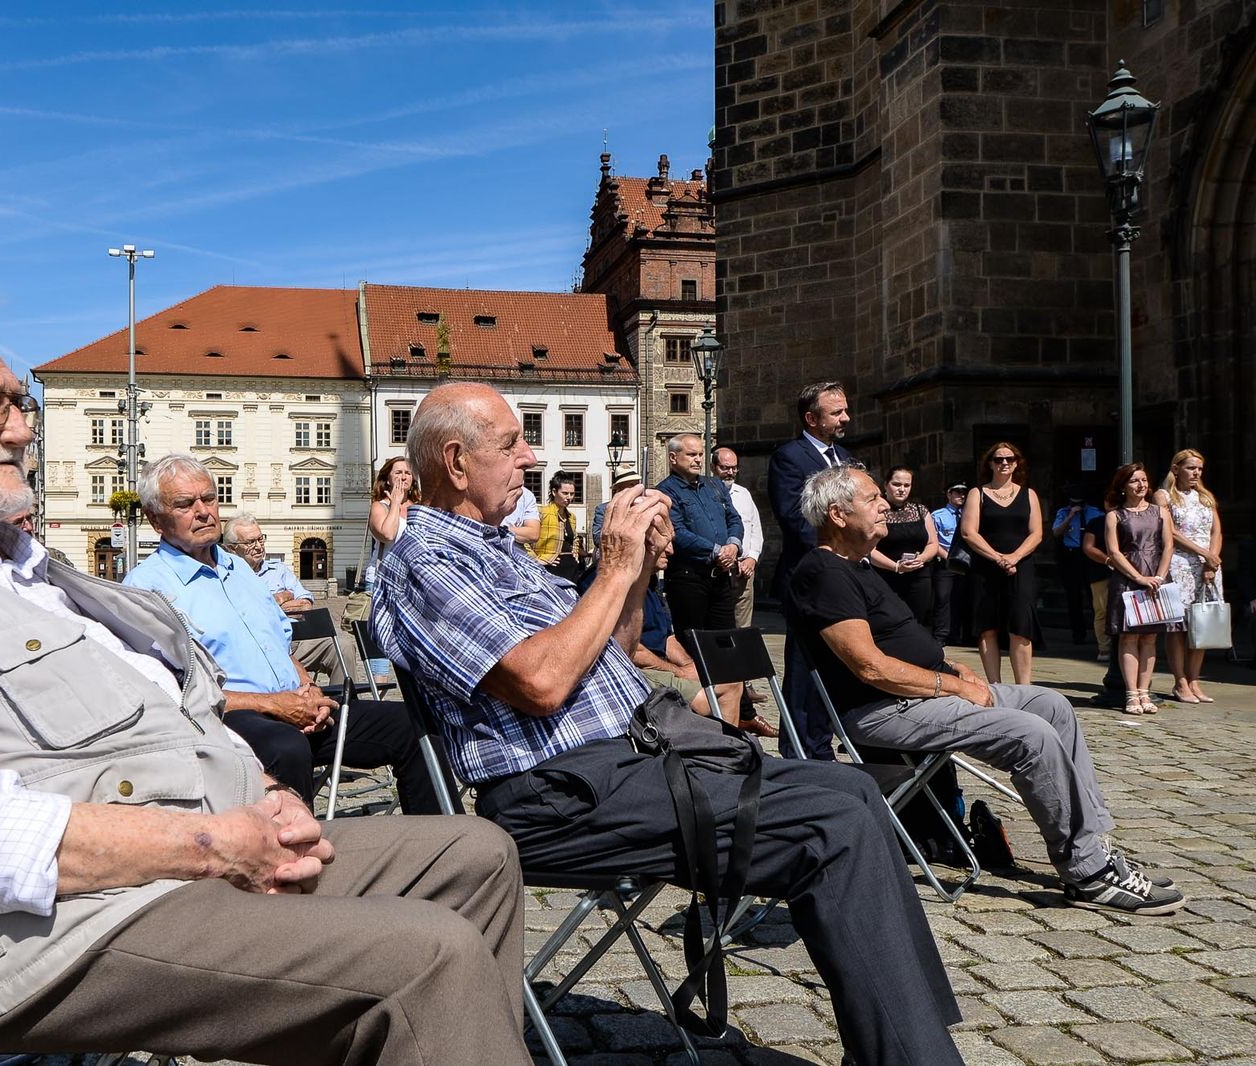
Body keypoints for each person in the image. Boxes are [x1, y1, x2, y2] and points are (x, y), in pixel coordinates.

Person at [0, 320, 528, 1062]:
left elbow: (177, 716)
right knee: (430, 953)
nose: (19, 430)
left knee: (475, 855)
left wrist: (264, 791)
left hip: (186, 860)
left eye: (17, 403)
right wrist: (209, 844)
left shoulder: (31, 570)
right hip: (51, 931)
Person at [374, 381, 967, 1066]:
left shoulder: (496, 549)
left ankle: (913, 1041)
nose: (530, 457)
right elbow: (540, 683)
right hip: (558, 795)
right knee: (832, 825)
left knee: (854, 791)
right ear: (456, 462)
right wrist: (612, 567)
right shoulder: (426, 561)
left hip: (628, 760)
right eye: (511, 445)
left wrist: (635, 573)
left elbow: (612, 651)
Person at [785, 464, 1183, 915]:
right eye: (872, 498)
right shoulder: (823, 572)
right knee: (1029, 735)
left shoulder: (855, 567)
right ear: (838, 515)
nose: (883, 506)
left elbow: (901, 643)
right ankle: (1089, 872)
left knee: (1051, 705)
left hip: (921, 692)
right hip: (886, 709)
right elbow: (870, 666)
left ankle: (1090, 845)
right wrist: (951, 685)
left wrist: (956, 668)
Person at [126, 455, 442, 815]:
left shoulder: (238, 569)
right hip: (225, 722)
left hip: (292, 705)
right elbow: (167, 693)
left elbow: (281, 646)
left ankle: (442, 837)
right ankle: (303, 847)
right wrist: (274, 705)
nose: (203, 512)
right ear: (155, 519)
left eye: (209, 498)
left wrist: (309, 689)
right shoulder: (147, 588)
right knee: (286, 746)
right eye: (185, 504)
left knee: (411, 724)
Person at [576, 539, 765, 734]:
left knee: (729, 679)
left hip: (657, 665)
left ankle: (727, 745)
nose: (671, 550)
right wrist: (678, 671)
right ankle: (719, 746)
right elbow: (626, 649)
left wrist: (691, 666)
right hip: (630, 670)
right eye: (664, 542)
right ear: (641, 542)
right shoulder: (607, 581)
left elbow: (667, 638)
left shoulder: (649, 581)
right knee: (714, 695)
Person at [766, 381, 855, 760]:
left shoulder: (846, 458)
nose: (846, 418)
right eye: (836, 412)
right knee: (805, 668)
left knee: (837, 664)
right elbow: (795, 518)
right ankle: (799, 750)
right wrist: (841, 551)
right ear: (811, 418)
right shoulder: (790, 458)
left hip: (846, 578)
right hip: (810, 579)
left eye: (845, 410)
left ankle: (822, 743)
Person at [223, 512, 348, 687]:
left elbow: (305, 605)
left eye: (260, 539)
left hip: (296, 641)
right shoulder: (226, 576)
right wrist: (283, 596)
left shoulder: (278, 570)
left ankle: (343, 702)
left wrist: (268, 605)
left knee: (343, 646)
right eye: (250, 542)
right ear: (231, 548)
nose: (258, 547)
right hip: (258, 648)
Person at [958, 442, 1042, 685]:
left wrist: (1014, 557)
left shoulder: (1029, 494)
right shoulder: (977, 493)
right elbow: (968, 532)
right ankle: (995, 686)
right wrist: (998, 558)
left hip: (1021, 566)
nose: (1004, 463)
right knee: (987, 626)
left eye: (1010, 459)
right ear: (990, 464)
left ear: (1017, 463)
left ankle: (1024, 688)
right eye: (998, 459)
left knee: (1021, 625)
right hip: (985, 567)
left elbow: (1036, 533)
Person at [1105, 463, 1181, 717]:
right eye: (1135, 481)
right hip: (1128, 577)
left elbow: (1168, 545)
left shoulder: (1160, 512)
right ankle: (1131, 693)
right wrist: (1138, 577)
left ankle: (1144, 691)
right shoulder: (1115, 516)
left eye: (1144, 480)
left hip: (1156, 576)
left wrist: (1159, 576)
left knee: (1149, 637)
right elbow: (1114, 551)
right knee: (1128, 636)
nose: (1141, 485)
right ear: (1123, 486)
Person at [1155, 449, 1224, 704]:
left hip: (1208, 566)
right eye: (1191, 468)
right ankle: (1180, 681)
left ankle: (1195, 679)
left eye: (1199, 469)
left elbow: (1216, 531)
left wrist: (1212, 560)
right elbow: (1170, 532)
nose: (1196, 473)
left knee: (1201, 622)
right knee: (1178, 626)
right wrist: (1203, 553)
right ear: (1176, 469)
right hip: (1179, 564)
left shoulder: (1205, 497)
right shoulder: (1164, 496)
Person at [657, 434, 743, 636]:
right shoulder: (665, 491)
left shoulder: (715, 485)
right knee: (693, 641)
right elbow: (677, 532)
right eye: (691, 454)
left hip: (721, 577)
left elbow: (734, 519)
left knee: (725, 640)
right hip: (689, 579)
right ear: (673, 457)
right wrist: (717, 551)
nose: (697, 460)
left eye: (700, 454)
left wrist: (733, 546)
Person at [868, 465, 940, 630]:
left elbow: (932, 543)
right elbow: (869, 550)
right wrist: (896, 567)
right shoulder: (875, 512)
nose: (902, 489)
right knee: (889, 623)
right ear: (885, 485)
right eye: (896, 484)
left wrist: (921, 558)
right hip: (886, 577)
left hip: (919, 576)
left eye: (907, 485)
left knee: (917, 623)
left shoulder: (920, 511)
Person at [712, 446, 763, 630]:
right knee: (720, 624)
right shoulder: (705, 493)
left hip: (744, 570)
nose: (730, 472)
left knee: (743, 627)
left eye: (734, 468)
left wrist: (752, 558)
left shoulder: (743, 494)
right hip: (719, 569)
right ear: (713, 467)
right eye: (725, 468)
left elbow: (755, 528)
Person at [1051, 488, 1105, 646]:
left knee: (1094, 595)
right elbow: (1056, 532)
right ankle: (1078, 633)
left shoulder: (1095, 513)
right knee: (1073, 596)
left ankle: (1099, 634)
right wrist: (1070, 516)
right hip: (1072, 555)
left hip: (1090, 555)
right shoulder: (1063, 512)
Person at [364, 456, 417, 592]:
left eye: (408, 473)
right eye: (398, 473)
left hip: (411, 581)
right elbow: (387, 535)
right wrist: (395, 504)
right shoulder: (379, 507)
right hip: (382, 579)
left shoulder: (419, 507)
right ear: (388, 479)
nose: (403, 477)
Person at [930, 482, 969, 645]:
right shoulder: (938, 515)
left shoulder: (968, 514)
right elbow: (933, 540)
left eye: (964, 493)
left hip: (965, 563)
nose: (962, 496)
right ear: (949, 494)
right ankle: (941, 635)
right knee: (942, 598)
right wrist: (948, 558)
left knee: (962, 598)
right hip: (945, 562)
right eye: (957, 492)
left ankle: (957, 634)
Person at [530, 471, 580, 579]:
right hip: (549, 570)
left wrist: (575, 554)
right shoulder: (542, 513)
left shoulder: (571, 517)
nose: (569, 497)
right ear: (554, 492)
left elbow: (575, 539)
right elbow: (524, 541)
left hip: (571, 570)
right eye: (565, 493)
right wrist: (535, 560)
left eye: (572, 494)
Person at [1081, 511, 1116, 663]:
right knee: (1102, 610)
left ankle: (1122, 646)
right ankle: (1104, 647)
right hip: (1100, 571)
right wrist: (1108, 560)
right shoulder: (1096, 522)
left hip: (1129, 570)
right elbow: (1088, 547)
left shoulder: (1128, 519)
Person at [592, 467, 643, 548]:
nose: (637, 489)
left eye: (637, 485)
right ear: (619, 488)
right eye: (631, 485)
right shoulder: (603, 509)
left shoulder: (642, 507)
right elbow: (597, 538)